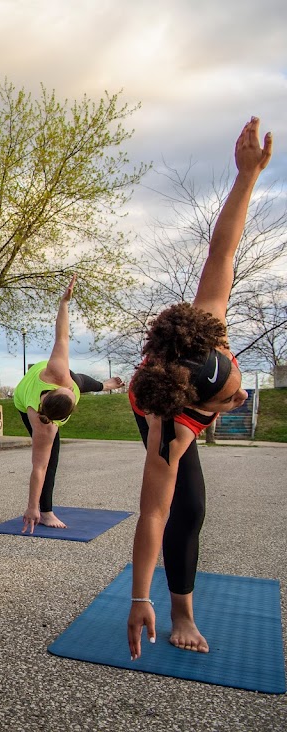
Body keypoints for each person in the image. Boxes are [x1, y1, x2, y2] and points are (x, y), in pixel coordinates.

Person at [127, 117, 272, 661]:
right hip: (153, 401)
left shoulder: (209, 325)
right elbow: (150, 515)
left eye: (235, 382)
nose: (240, 400)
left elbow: (222, 251)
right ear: (194, 408)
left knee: (192, 508)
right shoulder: (171, 430)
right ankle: (180, 611)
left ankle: (182, 605)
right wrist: (141, 597)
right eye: (228, 402)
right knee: (183, 506)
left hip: (176, 367)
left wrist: (247, 176)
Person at [13, 274, 125, 534]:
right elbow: (38, 468)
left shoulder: (62, 374)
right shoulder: (45, 427)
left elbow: (62, 335)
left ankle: (105, 385)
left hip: (61, 377)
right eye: (75, 396)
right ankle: (47, 509)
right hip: (25, 398)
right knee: (49, 459)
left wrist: (64, 303)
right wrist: (33, 508)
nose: (76, 393)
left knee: (82, 380)